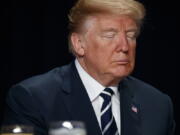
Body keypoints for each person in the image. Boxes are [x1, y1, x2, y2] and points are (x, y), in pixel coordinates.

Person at [3, 0, 175, 135]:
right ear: (79, 44)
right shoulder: (32, 99)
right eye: (110, 35)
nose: (124, 46)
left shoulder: (157, 104)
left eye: (131, 35)